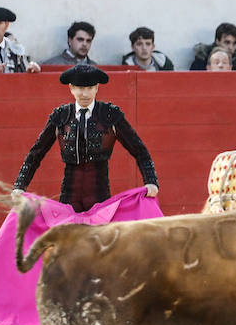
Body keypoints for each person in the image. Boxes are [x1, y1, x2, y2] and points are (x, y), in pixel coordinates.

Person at [12, 64, 158, 213]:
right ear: (71, 88)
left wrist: (151, 182)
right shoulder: (61, 116)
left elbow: (140, 151)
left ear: (97, 88)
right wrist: (19, 185)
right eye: (80, 88)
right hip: (69, 197)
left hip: (100, 196)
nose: (85, 94)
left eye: (90, 88)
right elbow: (36, 153)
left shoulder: (110, 115)